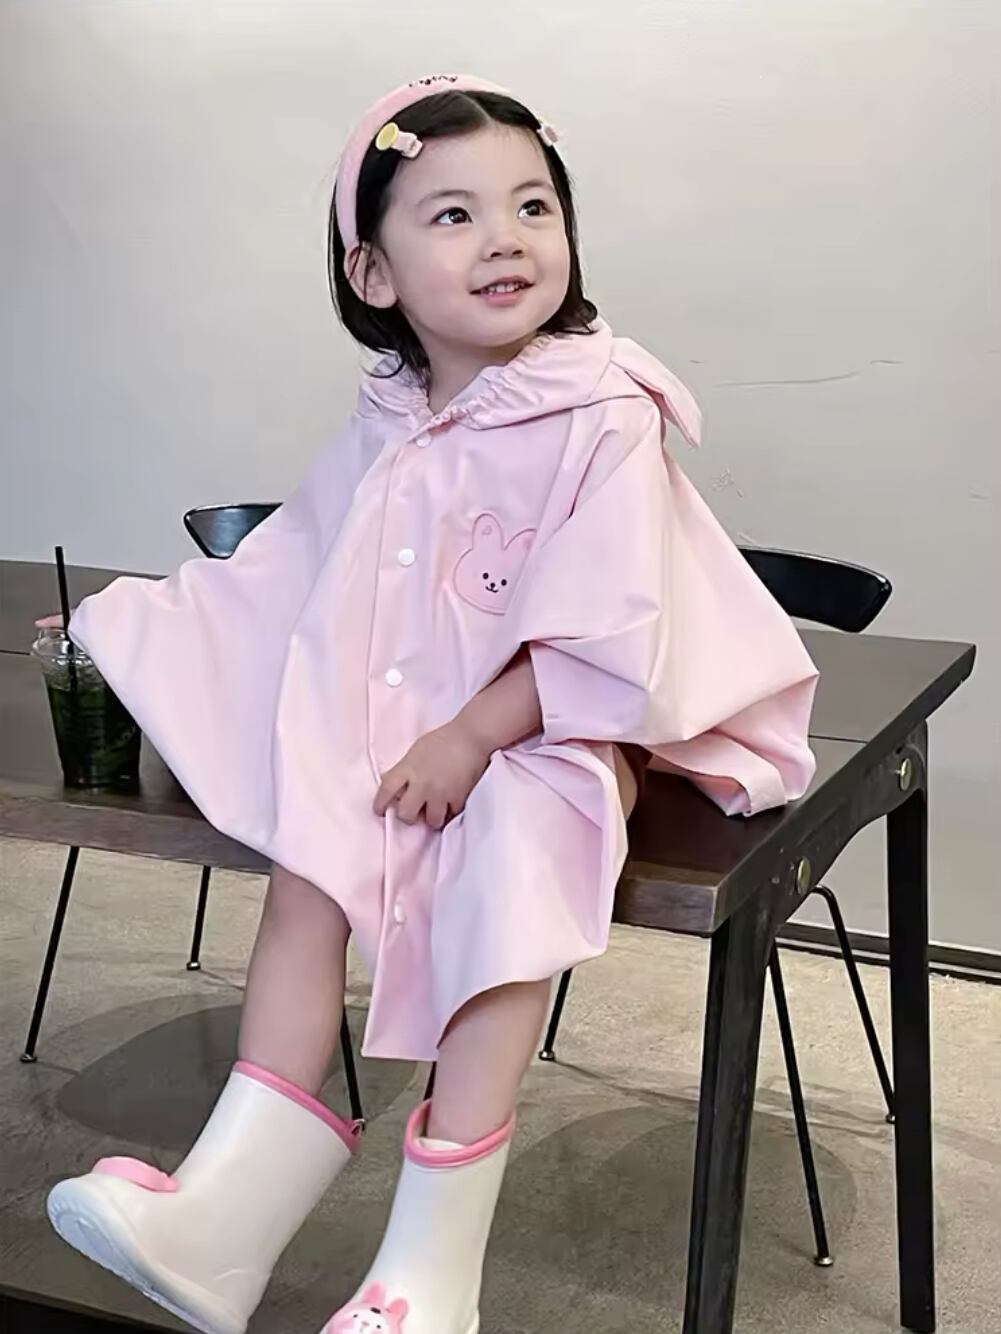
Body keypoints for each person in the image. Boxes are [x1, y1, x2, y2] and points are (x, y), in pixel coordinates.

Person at [40, 74, 818, 1334]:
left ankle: (427, 1277)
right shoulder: (392, 416)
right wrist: (154, 628)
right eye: (453, 214)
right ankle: (224, 1216)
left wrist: (467, 735)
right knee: (313, 851)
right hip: (424, 720)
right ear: (374, 271)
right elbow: (303, 568)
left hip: (569, 718)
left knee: (513, 864)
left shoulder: (600, 410)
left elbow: (612, 632)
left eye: (531, 205)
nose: (505, 236)